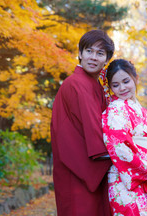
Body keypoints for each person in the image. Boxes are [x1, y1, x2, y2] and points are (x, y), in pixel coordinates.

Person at [50, 29, 114, 216]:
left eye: (100, 53)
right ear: (79, 54)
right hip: (79, 170)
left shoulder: (93, 84)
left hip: (84, 168)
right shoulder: (76, 83)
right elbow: (94, 129)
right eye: (89, 51)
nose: (93, 57)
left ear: (107, 59)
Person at [102, 59, 147, 216]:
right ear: (110, 87)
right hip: (125, 180)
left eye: (126, 81)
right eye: (115, 85)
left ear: (135, 78)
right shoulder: (115, 110)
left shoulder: (146, 113)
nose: (122, 88)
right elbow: (119, 148)